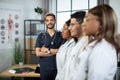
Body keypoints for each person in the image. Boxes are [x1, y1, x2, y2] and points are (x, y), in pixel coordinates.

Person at [74, 4, 120, 80]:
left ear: (101, 23)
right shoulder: (95, 46)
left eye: (88, 20)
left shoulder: (103, 49)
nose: (83, 24)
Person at [35, 13, 65, 80]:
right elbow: (38, 53)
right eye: (47, 20)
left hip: (57, 68)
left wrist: (47, 50)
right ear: (45, 22)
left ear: (55, 21)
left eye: (51, 20)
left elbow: (62, 51)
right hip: (44, 69)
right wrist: (56, 52)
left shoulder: (61, 35)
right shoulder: (41, 36)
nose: (49, 22)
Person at [60, 11, 88, 80]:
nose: (69, 28)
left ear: (82, 25)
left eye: (72, 25)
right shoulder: (77, 45)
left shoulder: (86, 47)